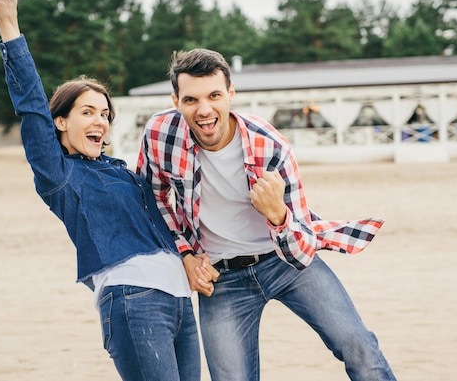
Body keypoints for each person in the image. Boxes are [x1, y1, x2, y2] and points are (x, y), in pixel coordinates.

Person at [0, 0, 216, 381]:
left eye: (105, 114)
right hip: (134, 299)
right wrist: (9, 22)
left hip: (180, 301)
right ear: (60, 122)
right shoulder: (60, 175)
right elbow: (31, 106)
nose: (100, 121)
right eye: (87, 112)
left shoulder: (124, 172)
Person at [137, 48, 397, 381]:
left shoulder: (270, 147)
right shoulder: (160, 134)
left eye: (214, 96)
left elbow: (301, 253)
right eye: (191, 100)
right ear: (176, 101)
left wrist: (277, 215)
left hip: (284, 261)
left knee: (359, 345)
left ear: (231, 94)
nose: (204, 110)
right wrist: (185, 254)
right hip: (222, 278)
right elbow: (151, 198)